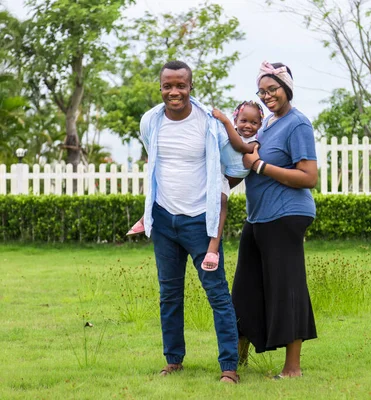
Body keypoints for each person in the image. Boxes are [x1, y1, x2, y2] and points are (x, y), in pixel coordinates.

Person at [138, 60, 247, 383]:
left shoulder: (209, 124)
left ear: (190, 86)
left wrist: (217, 192)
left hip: (201, 221)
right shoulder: (150, 121)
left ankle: (229, 367)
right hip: (163, 219)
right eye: (168, 86)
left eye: (180, 85)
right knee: (169, 294)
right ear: (160, 88)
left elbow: (236, 165)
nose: (174, 92)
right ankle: (174, 359)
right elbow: (155, 162)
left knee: (217, 294)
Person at [232, 61, 318, 379]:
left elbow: (308, 176)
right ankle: (235, 360)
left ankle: (292, 368)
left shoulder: (298, 124)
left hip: (287, 215)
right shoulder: (266, 124)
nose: (268, 95)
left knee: (287, 288)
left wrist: (260, 167)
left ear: (287, 88)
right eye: (262, 90)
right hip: (258, 218)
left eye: (273, 89)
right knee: (244, 289)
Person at [127, 100, 264, 272]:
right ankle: (145, 218)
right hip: (216, 172)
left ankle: (213, 248)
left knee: (220, 201)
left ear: (260, 124)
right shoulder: (223, 131)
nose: (248, 126)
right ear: (237, 120)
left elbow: (239, 146)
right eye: (243, 121)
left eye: (254, 122)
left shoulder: (253, 141)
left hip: (229, 174)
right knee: (172, 185)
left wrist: (226, 121)